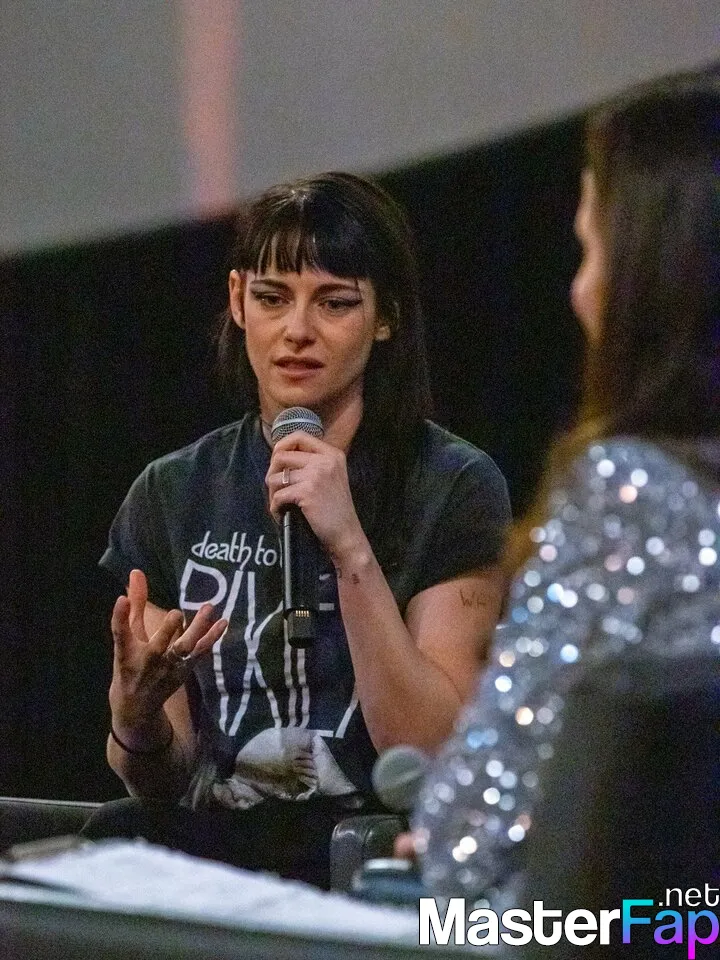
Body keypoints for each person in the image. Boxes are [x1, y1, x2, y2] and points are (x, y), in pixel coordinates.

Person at [88, 171, 511, 887]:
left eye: (335, 303)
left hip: (374, 851)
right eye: (272, 298)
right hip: (222, 846)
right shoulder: (173, 491)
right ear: (237, 302)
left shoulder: (453, 485)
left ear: (386, 317)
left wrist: (350, 549)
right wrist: (136, 717)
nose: (298, 331)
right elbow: (159, 780)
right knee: (111, 835)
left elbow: (431, 754)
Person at [411, 69, 720, 912]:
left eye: (591, 251)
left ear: (660, 274)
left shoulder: (634, 491)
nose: (578, 289)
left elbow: (467, 844)